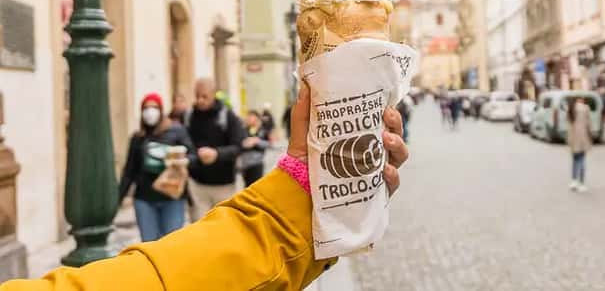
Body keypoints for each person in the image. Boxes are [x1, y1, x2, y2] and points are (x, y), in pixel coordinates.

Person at [0, 84, 410, 290]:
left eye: (201, 94)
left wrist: (210, 156)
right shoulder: (151, 133)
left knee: (169, 242)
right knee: (158, 243)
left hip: (203, 189)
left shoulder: (195, 123)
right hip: (167, 194)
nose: (197, 99)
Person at [119, 93, 195, 242]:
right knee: (149, 244)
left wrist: (183, 161)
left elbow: (193, 156)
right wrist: (119, 197)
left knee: (171, 243)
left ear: (161, 110)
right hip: (144, 199)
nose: (150, 112)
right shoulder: (138, 138)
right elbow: (129, 170)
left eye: (154, 107)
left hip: (172, 197)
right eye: (146, 108)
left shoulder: (176, 131)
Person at [184, 78, 244, 221]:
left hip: (223, 185)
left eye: (204, 96)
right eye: (197, 96)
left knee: (222, 229)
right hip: (197, 184)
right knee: (199, 230)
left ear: (213, 94)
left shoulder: (228, 116)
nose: (200, 100)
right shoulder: (189, 116)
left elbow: (238, 146)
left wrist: (217, 154)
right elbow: (185, 144)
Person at [567, 97, 592, 192]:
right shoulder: (585, 108)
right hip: (583, 138)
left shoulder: (570, 108)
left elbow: (568, 125)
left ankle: (574, 181)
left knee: (574, 160)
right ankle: (581, 183)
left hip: (573, 138)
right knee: (582, 160)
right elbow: (589, 124)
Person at [240, 110, 269, 187]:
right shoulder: (243, 130)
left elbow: (267, 144)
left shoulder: (262, 130)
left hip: (257, 163)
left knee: (256, 187)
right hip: (245, 164)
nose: (249, 119)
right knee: (247, 186)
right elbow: (239, 143)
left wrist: (256, 141)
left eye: (252, 117)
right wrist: (244, 143)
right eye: (248, 117)